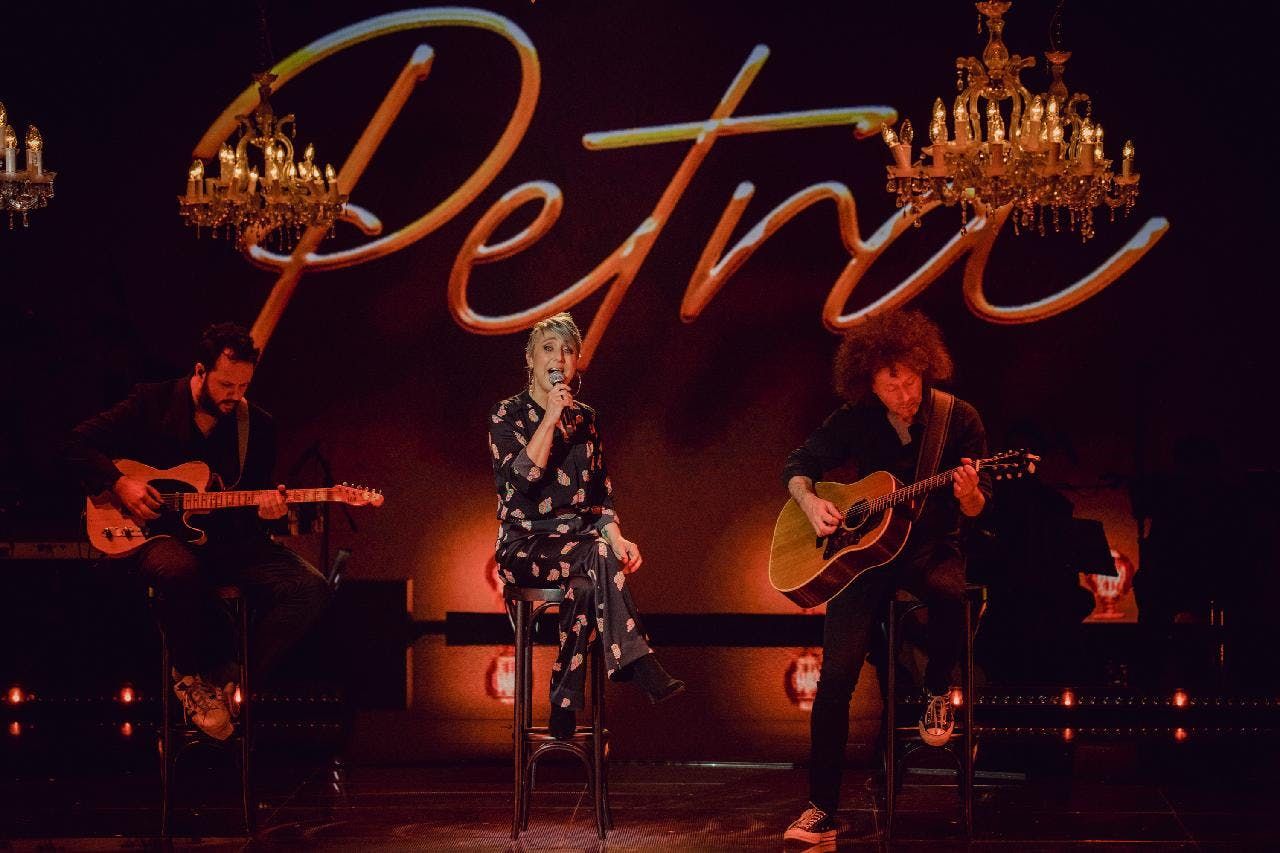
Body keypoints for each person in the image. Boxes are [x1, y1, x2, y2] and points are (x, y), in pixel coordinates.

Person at [779, 310, 992, 846]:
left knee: (949, 592)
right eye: (891, 383)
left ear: (925, 367)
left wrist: (970, 494)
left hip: (930, 548)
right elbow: (798, 465)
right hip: (866, 557)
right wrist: (810, 503)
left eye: (911, 378)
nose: (905, 393)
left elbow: (981, 507)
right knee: (835, 680)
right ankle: (821, 808)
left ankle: (937, 689)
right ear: (869, 382)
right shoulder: (857, 417)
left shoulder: (958, 418)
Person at [64, 322, 330, 741]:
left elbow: (249, 507)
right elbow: (75, 444)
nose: (234, 395)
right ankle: (190, 677)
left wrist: (268, 513)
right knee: (180, 571)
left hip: (225, 541)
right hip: (154, 536)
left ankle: (231, 680)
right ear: (200, 371)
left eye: (243, 385)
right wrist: (121, 483)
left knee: (311, 587)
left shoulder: (257, 426)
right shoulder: (151, 402)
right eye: (226, 384)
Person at [487, 312, 683, 739]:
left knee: (588, 584)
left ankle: (564, 697)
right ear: (530, 359)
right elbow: (523, 479)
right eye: (548, 349)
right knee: (595, 554)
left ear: (576, 362)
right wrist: (550, 417)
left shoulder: (586, 419)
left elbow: (600, 498)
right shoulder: (507, 414)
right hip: (525, 545)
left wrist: (618, 536)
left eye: (568, 351)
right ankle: (639, 660)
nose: (559, 359)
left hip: (580, 546)